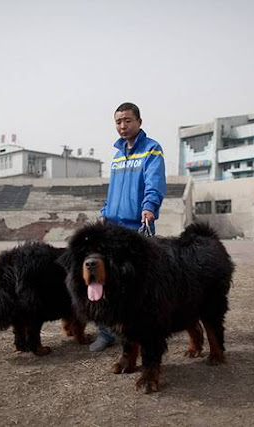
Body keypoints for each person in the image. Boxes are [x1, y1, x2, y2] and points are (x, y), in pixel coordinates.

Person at [89, 102, 166, 352]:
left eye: (127, 121)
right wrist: (105, 213)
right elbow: (113, 191)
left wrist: (149, 207)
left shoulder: (152, 150)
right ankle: (106, 333)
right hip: (112, 227)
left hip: (137, 228)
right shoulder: (116, 156)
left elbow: (154, 183)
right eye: (118, 122)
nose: (123, 126)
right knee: (104, 280)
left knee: (138, 285)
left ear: (139, 122)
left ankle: (140, 331)